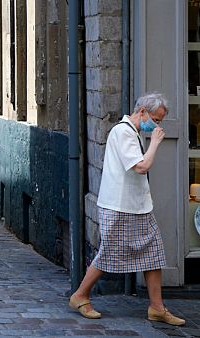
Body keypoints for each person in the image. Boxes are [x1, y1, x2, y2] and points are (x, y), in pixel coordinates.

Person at [69, 93, 185, 326]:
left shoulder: (132, 133)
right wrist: (154, 143)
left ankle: (156, 307)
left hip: (137, 206)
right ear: (141, 112)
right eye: (156, 119)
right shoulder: (123, 132)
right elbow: (141, 166)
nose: (157, 125)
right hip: (120, 206)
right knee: (109, 254)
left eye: (160, 121)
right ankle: (80, 295)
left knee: (153, 253)